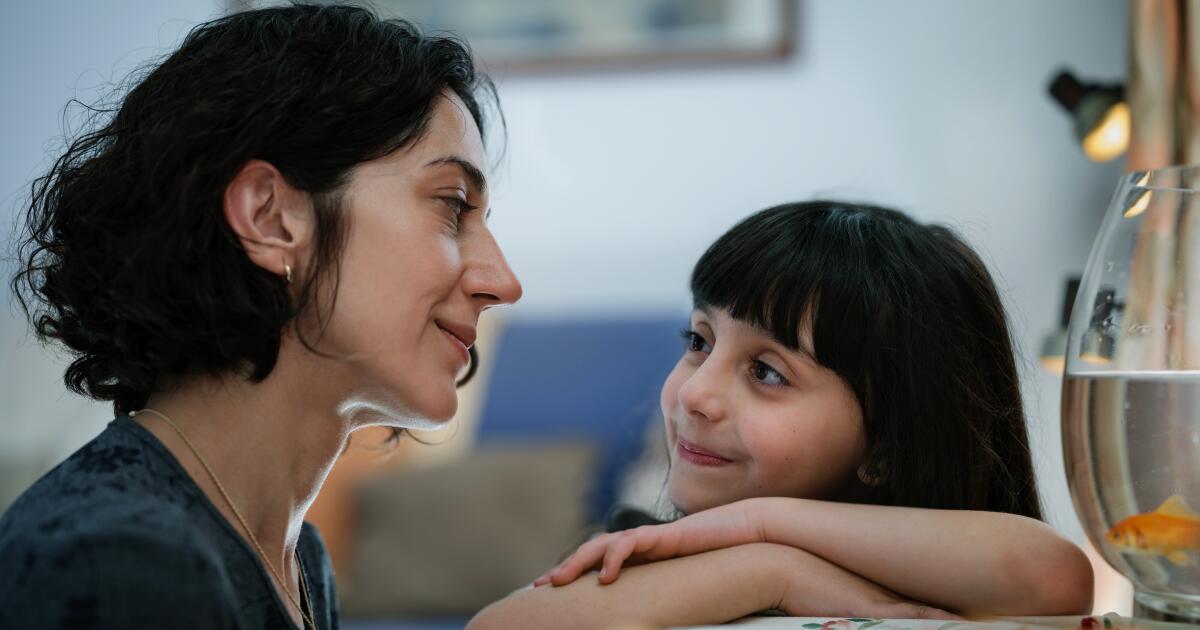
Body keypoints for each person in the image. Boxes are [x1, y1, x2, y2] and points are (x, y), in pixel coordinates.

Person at [0, 4, 520, 629]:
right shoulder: (116, 562)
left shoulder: (297, 560)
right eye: (453, 205)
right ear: (270, 218)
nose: (503, 283)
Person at [469, 201, 1092, 629]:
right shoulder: (643, 557)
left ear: (887, 445)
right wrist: (770, 570)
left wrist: (764, 523)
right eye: (699, 342)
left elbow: (1051, 572)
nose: (693, 394)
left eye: (767, 372)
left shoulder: (955, 582)